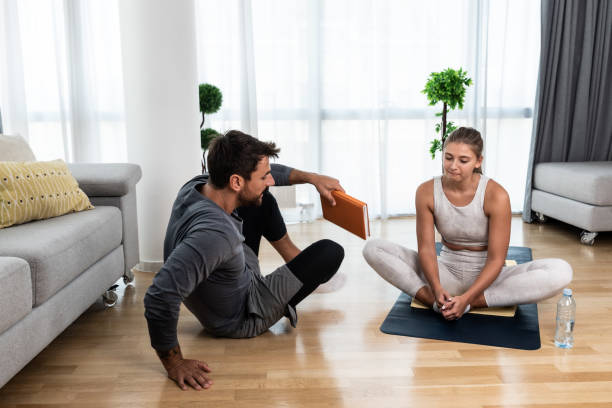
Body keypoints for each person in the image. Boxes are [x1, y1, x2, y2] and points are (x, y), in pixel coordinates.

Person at [144, 130, 345, 391]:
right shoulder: (215, 236)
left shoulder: (196, 186)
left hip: (231, 275)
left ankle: (293, 265)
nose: (271, 180)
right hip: (242, 317)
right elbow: (159, 295)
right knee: (330, 252)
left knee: (262, 199)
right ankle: (292, 292)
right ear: (237, 181)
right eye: (264, 176)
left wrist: (312, 178)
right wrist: (174, 363)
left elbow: (270, 175)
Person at [362, 127, 572, 321]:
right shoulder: (426, 191)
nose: (453, 166)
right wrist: (436, 288)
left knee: (561, 271)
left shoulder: (496, 195)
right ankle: (436, 302)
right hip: (444, 272)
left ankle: (471, 303)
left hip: (489, 279)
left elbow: (496, 259)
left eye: (463, 160)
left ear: (478, 161)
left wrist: (468, 298)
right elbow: (426, 248)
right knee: (373, 248)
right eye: (448, 158)